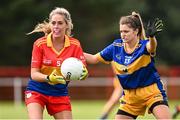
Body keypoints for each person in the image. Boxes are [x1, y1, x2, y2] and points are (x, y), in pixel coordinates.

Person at [84, 11, 172, 119]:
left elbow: (152, 47)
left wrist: (152, 37)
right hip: (130, 97)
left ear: (136, 31)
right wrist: (73, 51)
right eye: (121, 31)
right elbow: (93, 59)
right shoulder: (116, 46)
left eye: (126, 31)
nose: (123, 34)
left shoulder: (143, 46)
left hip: (151, 92)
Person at [25, 7, 88, 119]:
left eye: (60, 23)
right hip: (37, 90)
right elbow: (34, 74)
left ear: (67, 25)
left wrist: (84, 75)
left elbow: (83, 71)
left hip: (59, 92)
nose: (56, 26)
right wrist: (49, 78)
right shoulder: (39, 44)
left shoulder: (75, 45)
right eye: (53, 23)